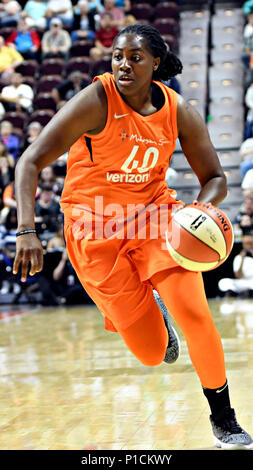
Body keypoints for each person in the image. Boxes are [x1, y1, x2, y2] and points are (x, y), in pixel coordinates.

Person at [13, 23, 253, 449]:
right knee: (150, 353)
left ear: (155, 63)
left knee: (197, 316)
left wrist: (199, 211)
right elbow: (29, 161)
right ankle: (151, 305)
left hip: (155, 218)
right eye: (118, 56)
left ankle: (225, 420)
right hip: (94, 227)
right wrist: (27, 229)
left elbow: (215, 177)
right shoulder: (96, 100)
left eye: (135, 57)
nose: (124, 64)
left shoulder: (178, 110)